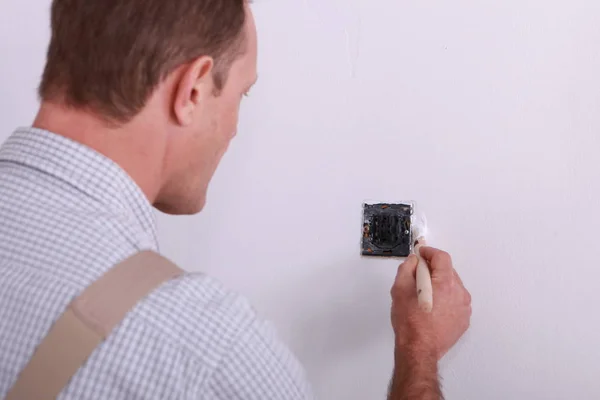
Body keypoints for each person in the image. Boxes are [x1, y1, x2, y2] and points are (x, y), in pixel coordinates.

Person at [0, 0, 471, 399]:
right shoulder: (205, 354)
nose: (234, 128)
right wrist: (419, 347)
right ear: (193, 89)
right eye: (242, 94)